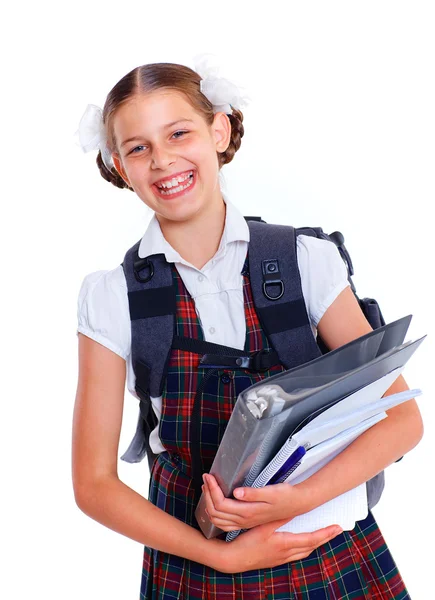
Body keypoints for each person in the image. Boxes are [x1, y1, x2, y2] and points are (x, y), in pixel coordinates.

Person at [73, 54, 423, 599]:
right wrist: (222, 556)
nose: (162, 161)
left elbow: (402, 420)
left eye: (179, 133)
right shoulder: (112, 297)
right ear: (118, 164)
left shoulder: (304, 260)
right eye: (138, 148)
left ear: (219, 129)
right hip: (193, 560)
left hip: (323, 547)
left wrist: (299, 500)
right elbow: (93, 485)